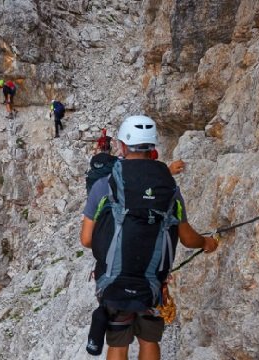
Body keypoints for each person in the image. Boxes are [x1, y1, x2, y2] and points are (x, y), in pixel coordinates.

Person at [80, 115, 219, 360]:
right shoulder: (169, 189)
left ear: (122, 146)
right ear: (153, 148)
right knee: (149, 339)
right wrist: (206, 243)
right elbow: (187, 238)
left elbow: (86, 240)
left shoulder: (104, 185)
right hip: (152, 282)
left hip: (113, 280)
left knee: (118, 343)